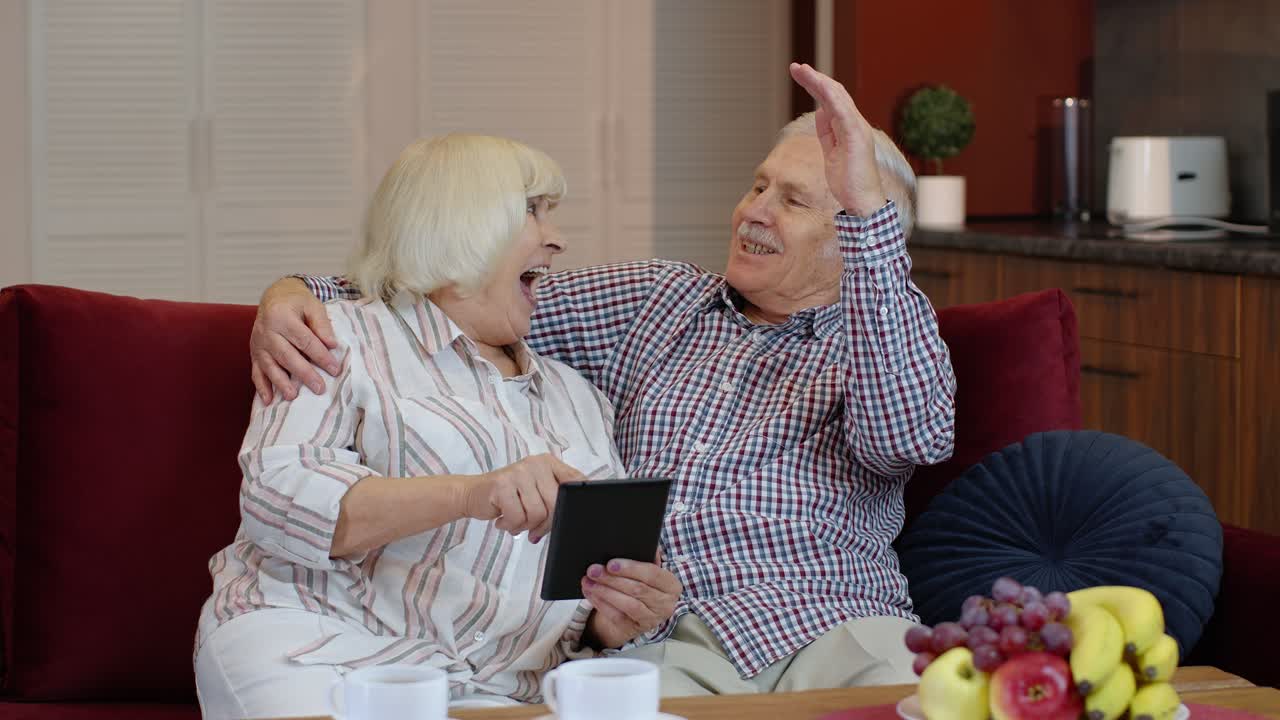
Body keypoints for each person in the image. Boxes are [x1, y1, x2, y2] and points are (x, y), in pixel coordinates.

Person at [248, 64, 956, 695]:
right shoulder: (660, 299)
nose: (753, 211)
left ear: (858, 240)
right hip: (671, 638)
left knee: (931, 697)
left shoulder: (888, 336)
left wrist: (867, 210)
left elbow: (910, 432)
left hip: (838, 625)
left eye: (794, 202)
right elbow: (450, 282)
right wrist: (288, 296)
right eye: (757, 185)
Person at [195, 134, 681, 719]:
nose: (557, 238)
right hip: (320, 646)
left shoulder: (579, 401)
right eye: (533, 210)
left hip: (494, 689)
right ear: (460, 224)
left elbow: (573, 612)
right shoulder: (336, 340)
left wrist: (609, 620)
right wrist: (470, 493)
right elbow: (278, 503)